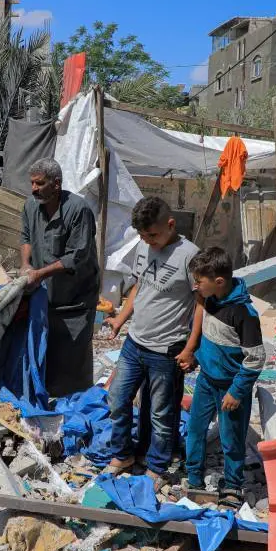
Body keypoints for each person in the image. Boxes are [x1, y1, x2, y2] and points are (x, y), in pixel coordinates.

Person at [101, 197, 200, 479]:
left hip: (166, 350)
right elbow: (139, 286)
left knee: (161, 413)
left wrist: (191, 347)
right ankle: (123, 454)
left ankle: (156, 466)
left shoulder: (190, 255)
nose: (148, 241)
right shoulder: (145, 247)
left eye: (153, 235)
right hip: (135, 343)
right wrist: (121, 319)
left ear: (171, 225)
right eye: (143, 236)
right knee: (118, 399)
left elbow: (201, 304)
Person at [185, 247, 264, 509]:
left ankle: (232, 485)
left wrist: (237, 391)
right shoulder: (210, 298)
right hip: (207, 381)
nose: (195, 286)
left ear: (219, 281)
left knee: (231, 438)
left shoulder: (244, 313)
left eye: (199, 281)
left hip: (231, 388)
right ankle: (193, 479)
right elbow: (209, 336)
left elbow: (255, 358)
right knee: (196, 430)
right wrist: (195, 355)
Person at [20, 158, 100, 398]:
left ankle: (77, 402)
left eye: (39, 183)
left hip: (76, 299)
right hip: (46, 295)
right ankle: (49, 398)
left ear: (56, 184)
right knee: (46, 350)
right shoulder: (30, 206)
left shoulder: (78, 209)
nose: (34, 188)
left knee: (74, 356)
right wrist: (25, 265)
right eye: (32, 183)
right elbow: (25, 237)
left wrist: (39, 274)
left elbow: (76, 256)